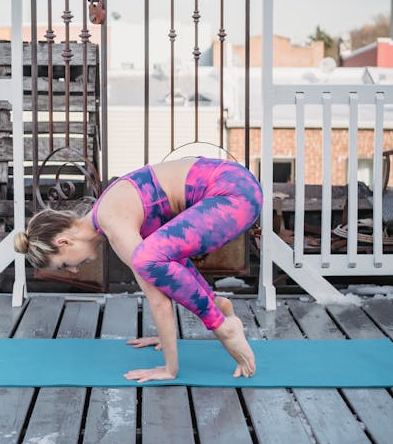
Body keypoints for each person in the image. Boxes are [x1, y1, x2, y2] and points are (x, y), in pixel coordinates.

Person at [14, 156, 262, 383]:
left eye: (65, 264)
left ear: (63, 242)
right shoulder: (108, 212)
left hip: (234, 195)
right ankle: (218, 306)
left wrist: (169, 368)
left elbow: (158, 301)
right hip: (236, 187)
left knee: (147, 260)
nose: (74, 270)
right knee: (157, 255)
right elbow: (166, 277)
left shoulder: (112, 220)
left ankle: (223, 327)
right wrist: (166, 339)